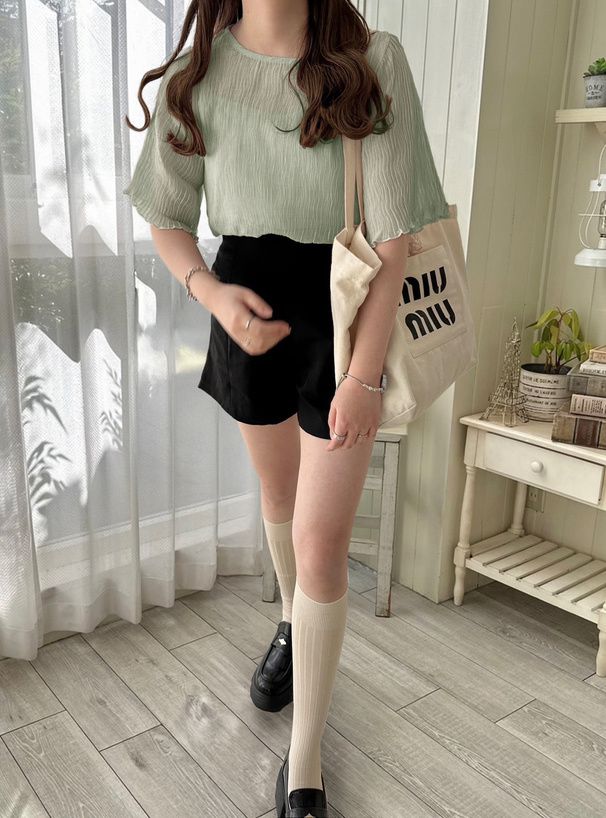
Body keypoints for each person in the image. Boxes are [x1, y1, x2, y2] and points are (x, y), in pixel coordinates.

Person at [123, 2, 450, 815]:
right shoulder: (198, 75)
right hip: (246, 306)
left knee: (322, 539)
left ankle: (304, 761)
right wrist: (210, 293)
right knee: (278, 500)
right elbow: (166, 214)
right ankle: (290, 626)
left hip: (345, 306)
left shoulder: (371, 58)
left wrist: (364, 379)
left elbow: (394, 243)